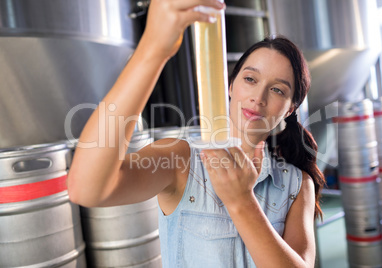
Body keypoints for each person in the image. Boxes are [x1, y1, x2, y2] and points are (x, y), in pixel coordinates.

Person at [67, 0, 325, 267]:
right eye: (250, 79)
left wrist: (241, 202)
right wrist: (154, 49)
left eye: (277, 90)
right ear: (231, 85)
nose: (258, 97)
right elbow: (86, 189)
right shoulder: (181, 160)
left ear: (290, 109)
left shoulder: (297, 185)